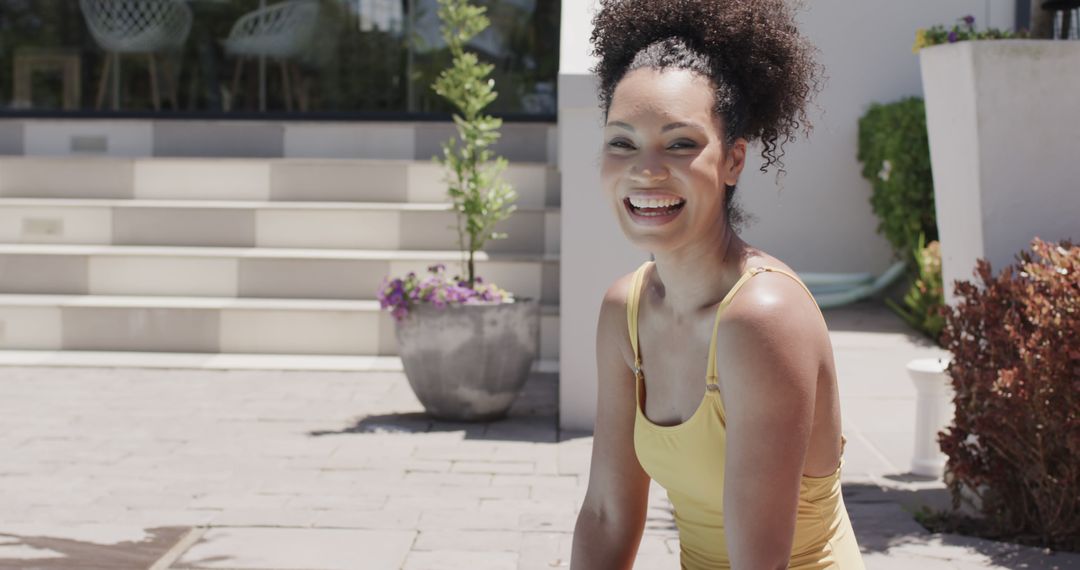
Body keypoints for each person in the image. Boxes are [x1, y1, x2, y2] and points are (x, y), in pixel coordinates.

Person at [569, 0, 865, 568]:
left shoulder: (762, 318)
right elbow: (607, 513)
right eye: (621, 142)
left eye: (680, 143)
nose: (646, 169)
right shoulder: (623, 312)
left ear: (733, 161)